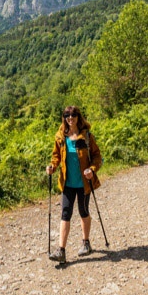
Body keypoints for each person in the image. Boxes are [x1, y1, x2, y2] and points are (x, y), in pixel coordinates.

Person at [46, 106, 102, 263]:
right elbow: (56, 157)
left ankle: (86, 243)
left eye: (73, 115)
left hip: (84, 183)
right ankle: (61, 251)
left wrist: (92, 169)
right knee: (65, 213)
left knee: (83, 211)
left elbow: (97, 157)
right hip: (67, 183)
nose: (70, 118)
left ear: (78, 117)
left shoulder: (87, 136)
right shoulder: (60, 137)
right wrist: (52, 167)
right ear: (64, 117)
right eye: (67, 115)